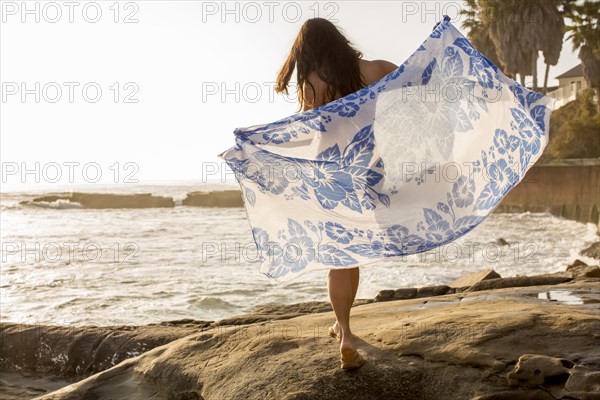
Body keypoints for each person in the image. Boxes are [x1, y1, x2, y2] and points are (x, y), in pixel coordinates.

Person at [274, 17, 398, 371]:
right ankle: (342, 329)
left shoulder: (312, 84)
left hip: (327, 173)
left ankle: (344, 331)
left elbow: (307, 129)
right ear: (338, 41)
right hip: (366, 167)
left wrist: (257, 143)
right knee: (352, 253)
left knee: (339, 254)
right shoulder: (370, 70)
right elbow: (415, 77)